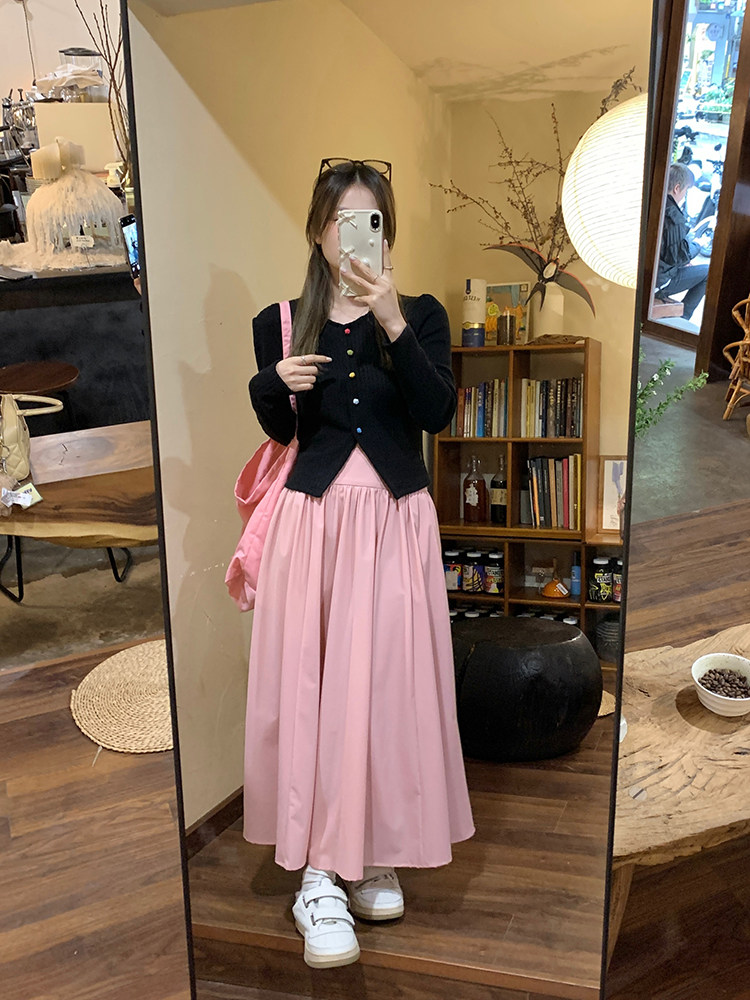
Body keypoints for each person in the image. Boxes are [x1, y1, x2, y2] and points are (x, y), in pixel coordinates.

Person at [244, 159, 474, 970]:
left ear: (385, 229)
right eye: (340, 221)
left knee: (387, 687)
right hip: (313, 527)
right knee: (315, 692)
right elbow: (284, 433)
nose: (353, 236)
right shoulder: (280, 322)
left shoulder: (421, 315)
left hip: (395, 524)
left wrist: (392, 322)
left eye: (369, 220)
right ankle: (318, 876)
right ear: (318, 231)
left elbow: (437, 413)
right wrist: (270, 383)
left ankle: (371, 848)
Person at [655, 162, 710, 322]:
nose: (684, 195)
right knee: (708, 272)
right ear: (677, 188)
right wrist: (697, 245)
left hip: (647, 273)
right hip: (658, 281)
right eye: (685, 191)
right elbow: (678, 258)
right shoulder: (673, 215)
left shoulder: (654, 202)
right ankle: (683, 318)